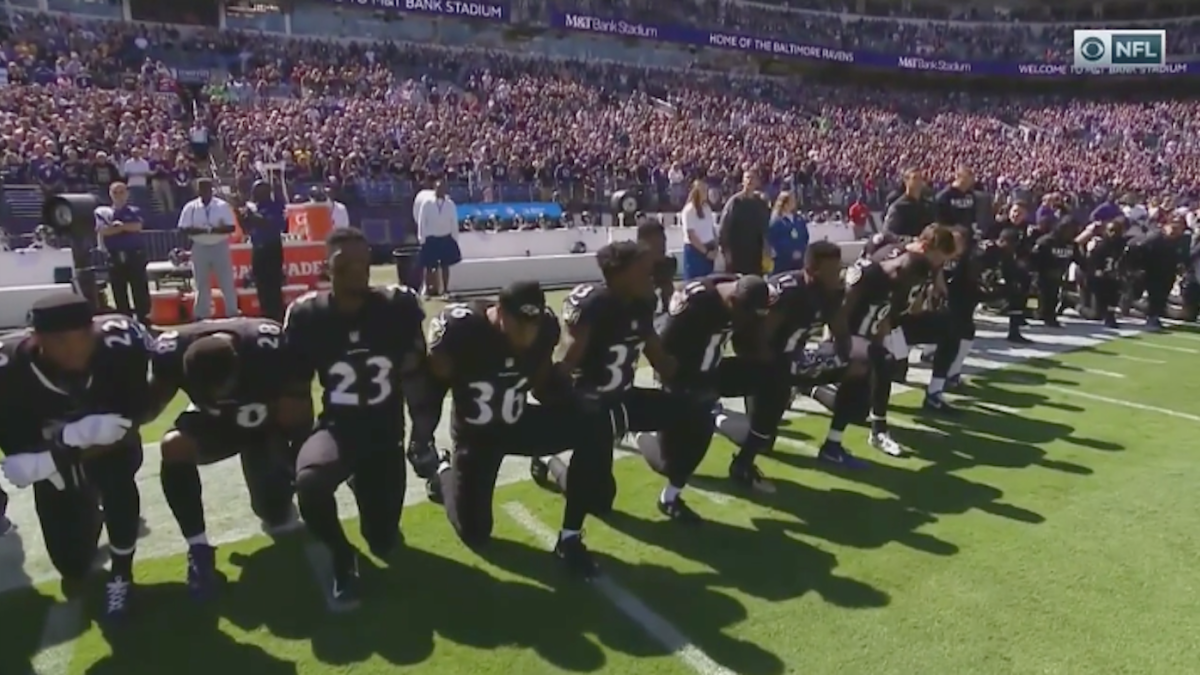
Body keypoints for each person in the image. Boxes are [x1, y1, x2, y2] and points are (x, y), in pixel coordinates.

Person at [414, 280, 615, 576]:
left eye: (532, 324)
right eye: (519, 324)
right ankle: (443, 470)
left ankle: (570, 535)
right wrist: (422, 437)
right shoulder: (462, 329)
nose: (526, 333)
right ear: (499, 311)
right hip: (477, 436)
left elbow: (541, 385)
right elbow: (432, 387)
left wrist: (573, 401)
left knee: (595, 427)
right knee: (475, 533)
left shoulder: (544, 328)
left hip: (519, 421)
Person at [284, 228, 430, 608]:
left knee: (382, 539)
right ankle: (341, 555)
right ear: (326, 268)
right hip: (339, 429)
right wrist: (296, 450)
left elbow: (415, 373)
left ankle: (357, 479)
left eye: (363, 261)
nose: (356, 271)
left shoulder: (397, 308)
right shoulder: (307, 315)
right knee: (310, 484)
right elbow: (298, 389)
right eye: (344, 264)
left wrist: (422, 435)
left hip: (385, 434)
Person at [0, 294, 152, 621]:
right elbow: (21, 456)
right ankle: (87, 510)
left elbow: (126, 427)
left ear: (94, 330)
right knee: (72, 565)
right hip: (51, 465)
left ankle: (122, 574)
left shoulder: (122, 347)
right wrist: (70, 441)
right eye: (61, 341)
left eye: (83, 337)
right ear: (36, 339)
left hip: (108, 452)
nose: (75, 349)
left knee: (117, 479)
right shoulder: (10, 370)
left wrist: (64, 448)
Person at [145, 318, 313, 600]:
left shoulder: (266, 348)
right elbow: (148, 408)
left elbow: (300, 410)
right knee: (174, 446)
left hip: (262, 430)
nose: (217, 396)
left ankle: (279, 478)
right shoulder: (171, 351)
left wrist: (296, 460)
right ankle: (198, 548)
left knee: (274, 511)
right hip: (213, 426)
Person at [529, 242, 686, 529]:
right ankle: (550, 459)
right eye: (642, 269)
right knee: (599, 503)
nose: (648, 274)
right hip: (592, 404)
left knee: (690, 411)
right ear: (620, 274)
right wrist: (564, 400)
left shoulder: (643, 303)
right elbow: (566, 364)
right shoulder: (594, 305)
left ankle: (669, 477)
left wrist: (690, 367)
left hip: (624, 398)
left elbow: (659, 357)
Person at [715, 241, 857, 484]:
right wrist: (782, 371)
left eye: (839, 269)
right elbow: (757, 340)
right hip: (764, 360)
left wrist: (842, 358)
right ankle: (716, 417)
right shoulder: (788, 293)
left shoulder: (832, 293)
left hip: (794, 357)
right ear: (812, 271)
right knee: (763, 440)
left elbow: (841, 331)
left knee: (859, 368)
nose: (839, 275)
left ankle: (832, 443)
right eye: (832, 271)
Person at [634, 274, 772, 520]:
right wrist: (677, 386)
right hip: (683, 375)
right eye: (746, 314)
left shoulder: (744, 291)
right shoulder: (696, 303)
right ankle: (639, 431)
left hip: (712, 370)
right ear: (732, 302)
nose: (747, 320)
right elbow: (660, 345)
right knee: (674, 460)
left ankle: (745, 458)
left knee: (773, 377)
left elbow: (750, 337)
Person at [817, 225, 957, 463]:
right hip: (845, 336)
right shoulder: (869, 274)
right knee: (884, 363)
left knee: (858, 409)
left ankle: (809, 388)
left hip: (867, 337)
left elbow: (884, 319)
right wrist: (832, 347)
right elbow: (839, 312)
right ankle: (878, 432)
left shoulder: (906, 278)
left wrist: (878, 344)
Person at [178, 178, 239, 320]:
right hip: (200, 246)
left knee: (226, 282)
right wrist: (206, 230)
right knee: (201, 283)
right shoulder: (190, 207)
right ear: (197, 190)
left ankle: (232, 313)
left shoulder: (222, 205)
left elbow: (231, 227)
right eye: (201, 189)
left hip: (220, 245)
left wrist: (210, 230)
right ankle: (201, 315)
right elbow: (183, 228)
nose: (204, 191)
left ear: (211, 189)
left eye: (207, 188)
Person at [94, 181, 150, 323]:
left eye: (121, 192)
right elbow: (103, 230)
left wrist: (119, 227)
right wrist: (123, 228)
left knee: (140, 290)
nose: (119, 195)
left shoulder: (134, 210)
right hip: (114, 256)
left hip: (134, 255)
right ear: (110, 194)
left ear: (127, 193)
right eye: (115, 192)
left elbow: (136, 226)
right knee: (119, 291)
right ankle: (125, 321)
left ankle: (144, 320)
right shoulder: (103, 212)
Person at [243, 180, 287, 320]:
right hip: (258, 249)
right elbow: (246, 228)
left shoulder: (276, 205)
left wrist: (253, 213)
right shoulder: (254, 207)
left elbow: (270, 223)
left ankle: (277, 316)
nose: (253, 194)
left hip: (272, 249)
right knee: (260, 284)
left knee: (273, 285)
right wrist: (242, 216)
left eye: (256, 191)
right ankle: (265, 315)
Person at [719, 170, 771, 275]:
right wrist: (726, 251)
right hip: (737, 253)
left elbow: (765, 227)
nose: (750, 180)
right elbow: (724, 228)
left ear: (757, 182)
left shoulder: (760, 204)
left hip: (755, 253)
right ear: (743, 181)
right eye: (747, 178)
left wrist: (766, 248)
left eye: (753, 178)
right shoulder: (735, 202)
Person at [416, 180, 461, 299]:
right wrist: (422, 237)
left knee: (445, 266)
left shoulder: (450, 204)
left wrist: (454, 237)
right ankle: (427, 291)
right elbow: (422, 221)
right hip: (431, 238)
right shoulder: (427, 203)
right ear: (434, 189)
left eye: (442, 188)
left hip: (445, 237)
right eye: (437, 188)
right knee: (429, 266)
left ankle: (445, 291)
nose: (440, 191)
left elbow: (454, 221)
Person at [680, 180, 718, 279]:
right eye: (703, 190)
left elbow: (711, 228)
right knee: (695, 282)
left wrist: (716, 247)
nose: (706, 193)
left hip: (709, 247)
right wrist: (706, 252)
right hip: (696, 251)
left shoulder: (707, 208)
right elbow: (691, 235)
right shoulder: (689, 210)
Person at [883, 168, 934, 238]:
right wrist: (910, 240)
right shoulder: (898, 207)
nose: (919, 181)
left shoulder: (927, 205)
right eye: (915, 178)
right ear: (906, 180)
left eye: (921, 178)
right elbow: (888, 233)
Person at [766, 191, 808, 274]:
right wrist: (791, 252)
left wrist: (801, 250)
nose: (794, 203)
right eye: (791, 201)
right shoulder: (776, 221)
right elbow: (774, 240)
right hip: (783, 261)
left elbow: (805, 236)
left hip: (799, 260)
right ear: (784, 203)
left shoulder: (798, 219)